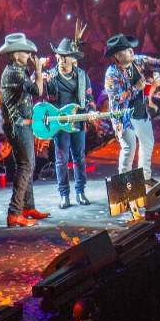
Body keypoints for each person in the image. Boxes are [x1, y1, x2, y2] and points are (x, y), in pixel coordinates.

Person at [103, 34, 160, 185]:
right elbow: (116, 98)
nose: (131, 51)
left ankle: (145, 178)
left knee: (147, 142)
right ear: (117, 55)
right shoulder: (111, 73)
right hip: (122, 115)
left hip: (139, 111)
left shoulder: (138, 61)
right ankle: (125, 183)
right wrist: (135, 88)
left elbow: (158, 63)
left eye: (130, 48)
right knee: (129, 147)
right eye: (126, 50)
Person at [0, 33, 50, 227]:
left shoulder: (19, 70)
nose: (29, 54)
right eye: (25, 51)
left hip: (21, 125)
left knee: (28, 165)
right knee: (25, 166)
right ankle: (14, 212)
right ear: (15, 54)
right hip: (17, 126)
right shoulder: (14, 73)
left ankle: (28, 206)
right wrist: (38, 71)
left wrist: (38, 73)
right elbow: (37, 91)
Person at [44, 35, 94, 208]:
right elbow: (44, 100)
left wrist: (92, 112)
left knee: (79, 157)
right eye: (59, 55)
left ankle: (81, 192)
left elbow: (89, 98)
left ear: (73, 58)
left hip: (78, 122)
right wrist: (42, 80)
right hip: (60, 124)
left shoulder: (82, 76)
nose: (61, 59)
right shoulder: (51, 76)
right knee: (61, 159)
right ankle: (64, 195)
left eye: (65, 56)